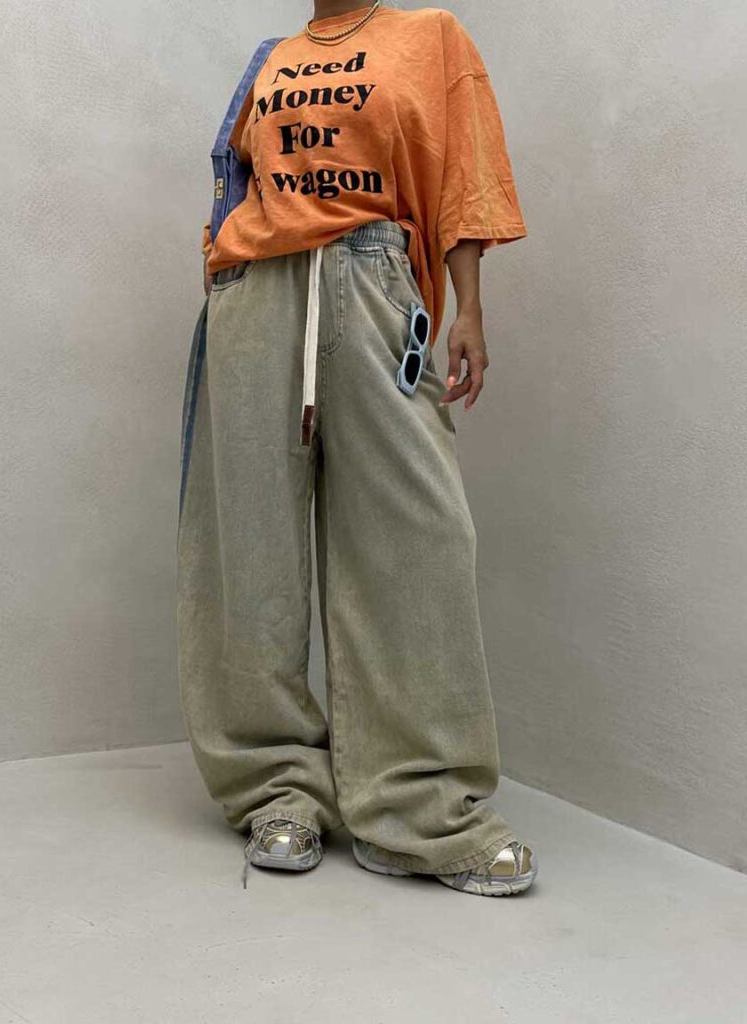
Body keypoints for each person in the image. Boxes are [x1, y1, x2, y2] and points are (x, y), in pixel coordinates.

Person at [177, 0, 539, 897]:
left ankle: (418, 808)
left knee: (416, 545)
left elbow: (463, 176)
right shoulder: (274, 60)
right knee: (250, 552)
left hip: (375, 280)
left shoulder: (429, 37)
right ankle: (277, 788)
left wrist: (469, 309)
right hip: (256, 292)